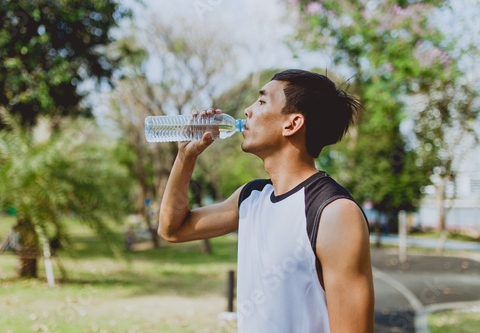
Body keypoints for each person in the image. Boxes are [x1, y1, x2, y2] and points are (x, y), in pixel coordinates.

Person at [158, 69, 374, 332]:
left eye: (261, 102)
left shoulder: (333, 213)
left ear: (292, 124)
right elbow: (172, 229)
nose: (247, 111)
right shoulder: (250, 198)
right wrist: (185, 157)